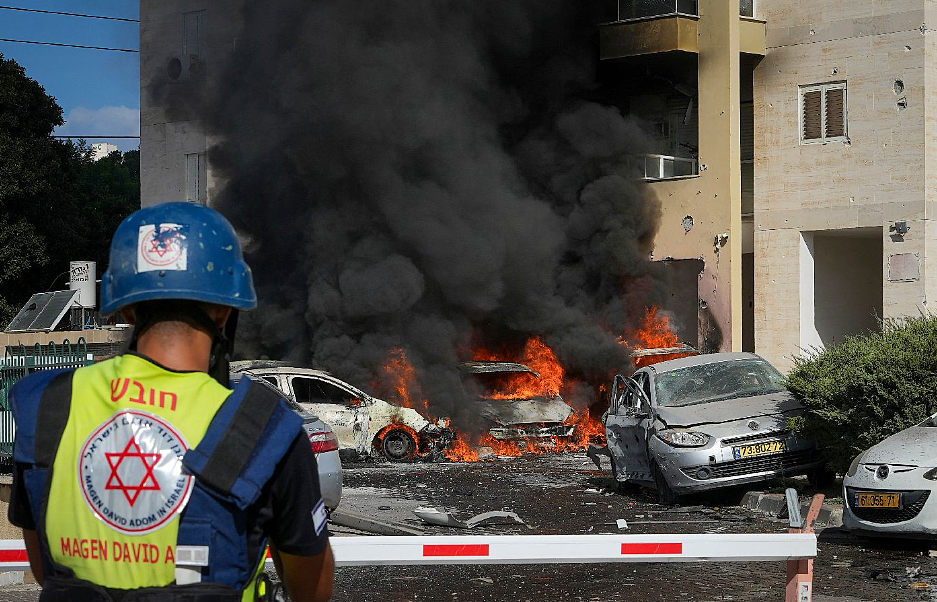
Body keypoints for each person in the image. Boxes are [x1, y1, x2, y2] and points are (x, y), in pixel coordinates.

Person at [8, 202, 334, 602]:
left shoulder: (48, 407)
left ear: (125, 305)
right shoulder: (263, 428)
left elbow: (46, 571)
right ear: (222, 309)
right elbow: (312, 591)